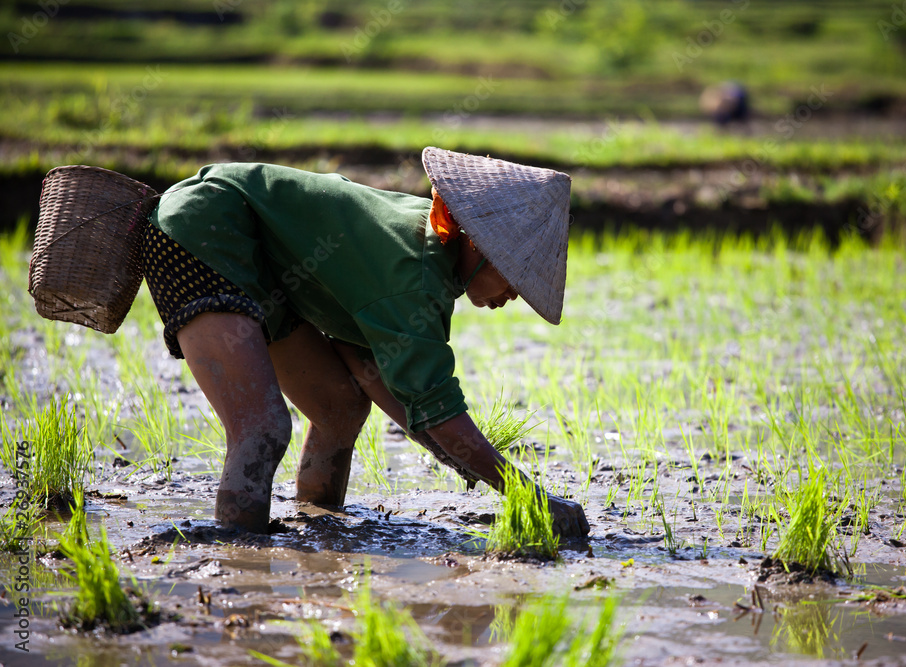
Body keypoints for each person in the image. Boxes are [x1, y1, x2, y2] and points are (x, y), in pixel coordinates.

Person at [141, 147, 590, 538]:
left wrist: (450, 450)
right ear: (477, 244)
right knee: (262, 427)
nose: (513, 295)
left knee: (340, 406)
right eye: (514, 276)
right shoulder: (415, 273)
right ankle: (239, 561)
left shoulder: (425, 256)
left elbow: (371, 366)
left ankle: (317, 524)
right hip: (206, 229)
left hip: (263, 271)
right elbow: (437, 409)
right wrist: (529, 496)